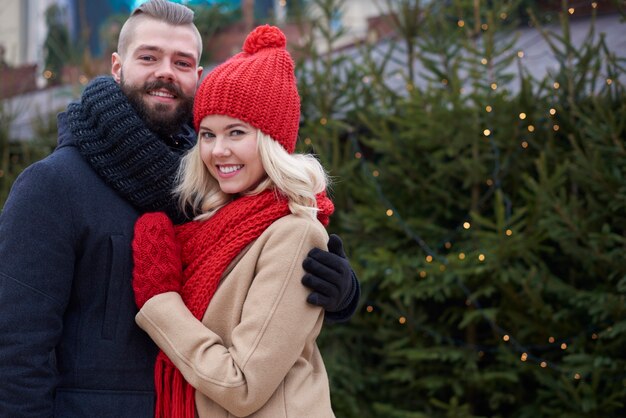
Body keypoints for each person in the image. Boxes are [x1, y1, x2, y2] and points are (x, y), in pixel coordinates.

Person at [0, 1, 358, 417]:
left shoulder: (212, 191)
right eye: (149, 57)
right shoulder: (54, 186)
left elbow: (256, 309)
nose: (165, 72)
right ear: (117, 67)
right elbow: (15, 348)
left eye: (182, 62)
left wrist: (339, 293)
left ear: (198, 77)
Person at [131, 24, 337, 417]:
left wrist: (160, 300)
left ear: (271, 141)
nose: (218, 150)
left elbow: (241, 386)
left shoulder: (292, 232)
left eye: (236, 132)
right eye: (207, 134)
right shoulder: (210, 225)